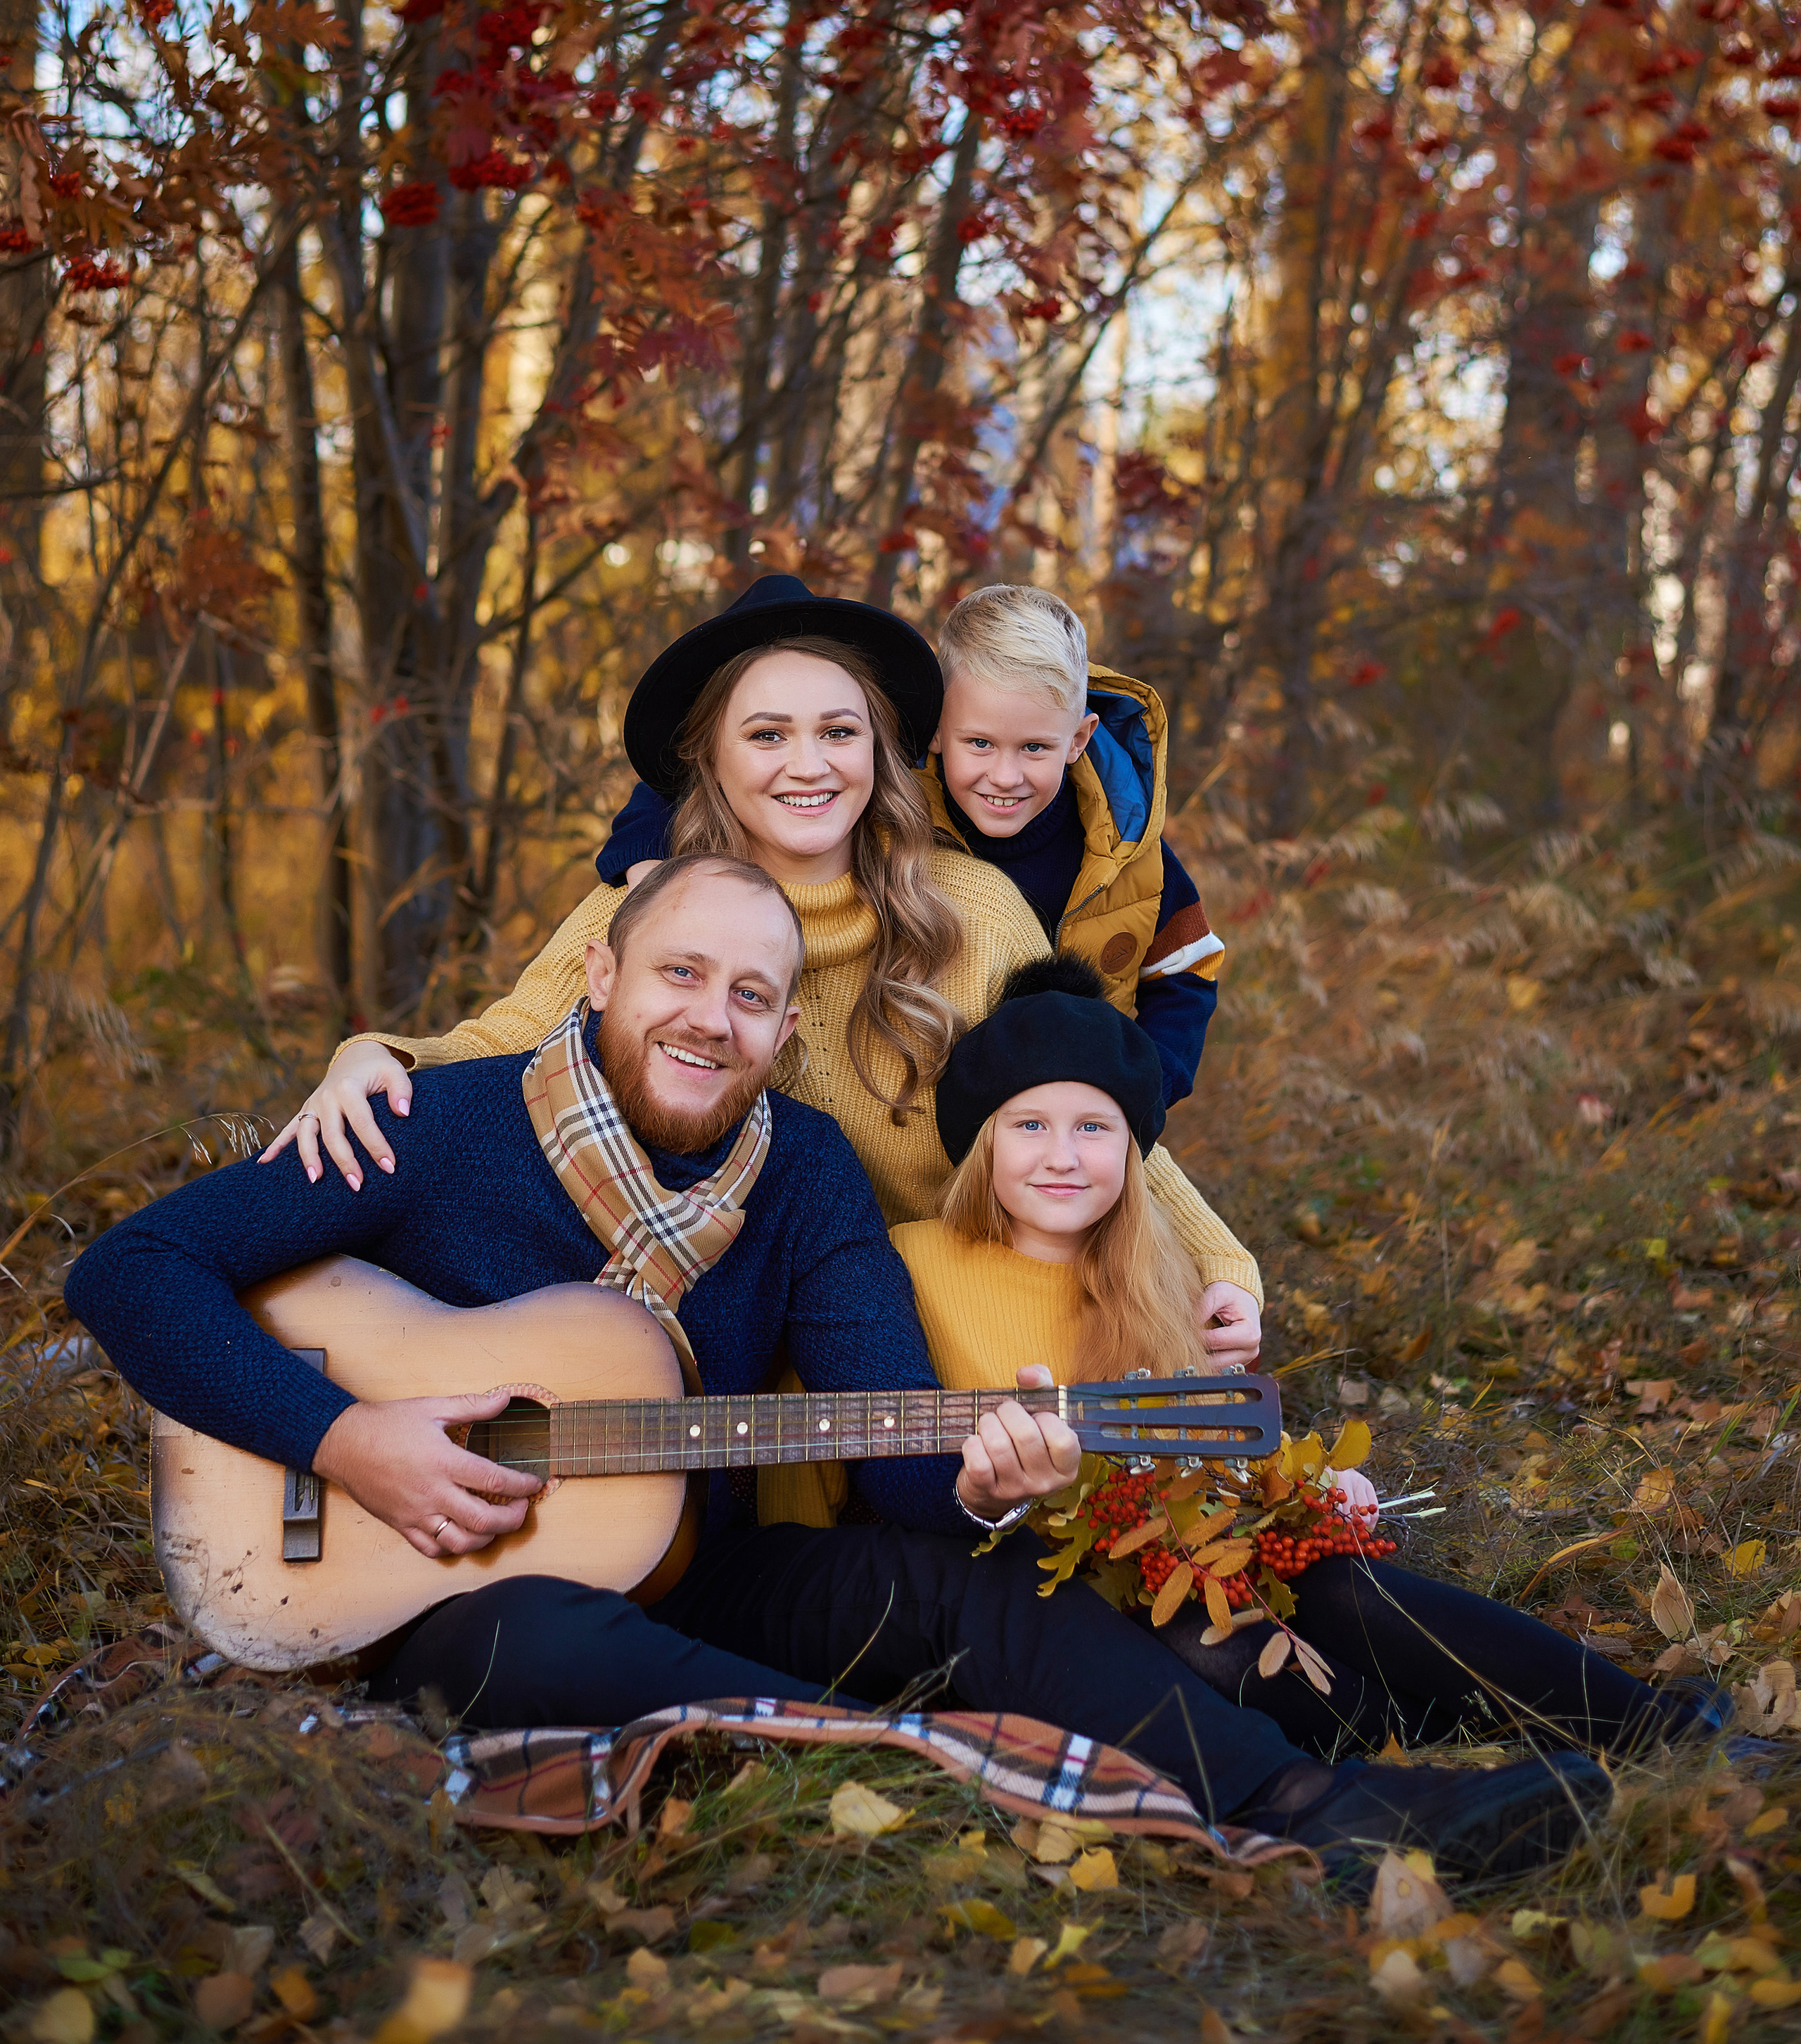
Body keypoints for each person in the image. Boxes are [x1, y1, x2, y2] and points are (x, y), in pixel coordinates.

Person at [70, 857, 1610, 1893]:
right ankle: (890, 1751)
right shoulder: (432, 1123)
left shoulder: (798, 1170)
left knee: (961, 1601)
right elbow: (130, 1273)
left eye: (750, 996)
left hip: (706, 1571)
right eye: (679, 973)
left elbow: (888, 1458)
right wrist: (344, 1439)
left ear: (782, 1022)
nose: (710, 1017)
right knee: (536, 1642)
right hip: (439, 1584)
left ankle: (1308, 1811)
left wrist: (986, 1481)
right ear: (601, 972)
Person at [261, 576, 1262, 1365]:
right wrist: (373, 1054)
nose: (809, 765)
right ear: (716, 759)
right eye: (768, 736)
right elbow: (500, 1042)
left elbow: (1084, 1101)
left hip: (968, 1351)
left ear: (882, 751)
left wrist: (1217, 1263)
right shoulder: (648, 913)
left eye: (838, 733)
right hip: (756, 1372)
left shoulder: (977, 909)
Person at [894, 957, 1728, 1782]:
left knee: (1342, 1589)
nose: (1062, 1157)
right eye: (1029, 1125)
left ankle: (1651, 1726)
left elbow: (1207, 1434)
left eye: (1093, 1127)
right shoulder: (917, 1262)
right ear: (983, 1142)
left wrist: (1302, 1481)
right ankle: (1444, 1742)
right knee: (1222, 1647)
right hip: (1038, 1581)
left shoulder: (1153, 1275)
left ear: (1132, 1149)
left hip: (1186, 1542)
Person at [595, 582, 1222, 1114]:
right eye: (979, 744)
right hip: (924, 1069)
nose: (1004, 777)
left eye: (1034, 748)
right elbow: (693, 777)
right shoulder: (894, 790)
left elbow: (1186, 971)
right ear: (938, 731)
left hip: (1070, 1096)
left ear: (1079, 740)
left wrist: (1142, 1082)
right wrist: (648, 857)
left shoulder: (1123, 847)